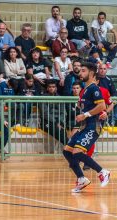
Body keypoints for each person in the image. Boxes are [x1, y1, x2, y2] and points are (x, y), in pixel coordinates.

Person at [62, 62, 110, 193]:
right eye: (80, 70)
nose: (80, 73)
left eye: (83, 70)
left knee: (77, 152)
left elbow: (102, 107)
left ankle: (103, 171)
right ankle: (81, 179)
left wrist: (85, 114)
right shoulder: (85, 90)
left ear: (92, 73)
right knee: (67, 151)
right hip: (84, 126)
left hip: (92, 126)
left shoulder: (94, 88)